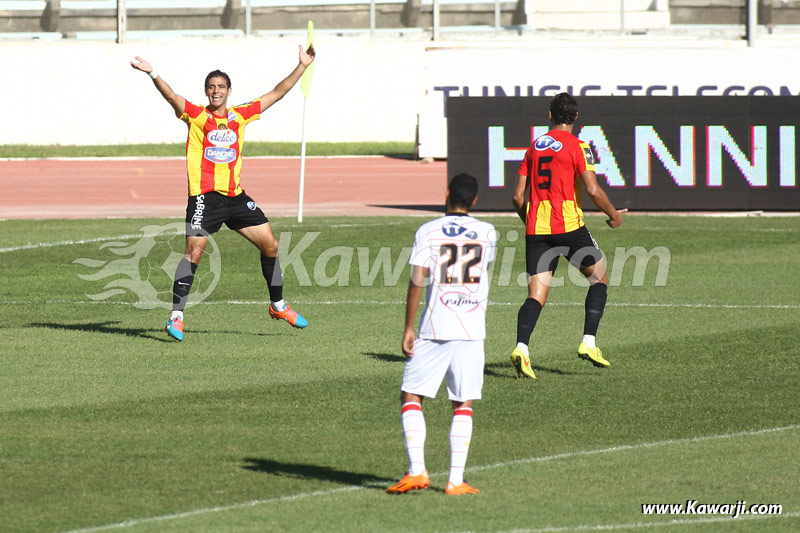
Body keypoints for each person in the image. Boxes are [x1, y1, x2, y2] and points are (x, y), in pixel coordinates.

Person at [130, 45, 315, 341]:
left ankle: (278, 306)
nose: (216, 91)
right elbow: (172, 96)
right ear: (206, 92)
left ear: (229, 90)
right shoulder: (196, 116)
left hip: (235, 197)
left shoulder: (240, 115)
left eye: (221, 86)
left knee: (271, 245)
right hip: (204, 198)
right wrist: (153, 73)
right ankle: (176, 317)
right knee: (194, 253)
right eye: (211, 87)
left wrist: (302, 66)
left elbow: (277, 93)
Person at [387, 173, 497, 496]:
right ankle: (455, 480)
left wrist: (409, 326)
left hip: (435, 326)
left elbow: (417, 280)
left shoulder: (428, 231)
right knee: (463, 402)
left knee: (412, 395)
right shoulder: (488, 233)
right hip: (472, 328)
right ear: (475, 201)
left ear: (447, 194)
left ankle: (417, 471)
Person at [510, 92, 627, 379]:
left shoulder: (534, 148)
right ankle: (589, 342)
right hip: (569, 227)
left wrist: (532, 222)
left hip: (537, 230)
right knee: (599, 278)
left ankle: (521, 347)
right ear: (575, 116)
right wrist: (613, 214)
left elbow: (517, 197)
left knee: (536, 296)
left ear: (550, 115)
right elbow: (593, 190)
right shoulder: (579, 146)